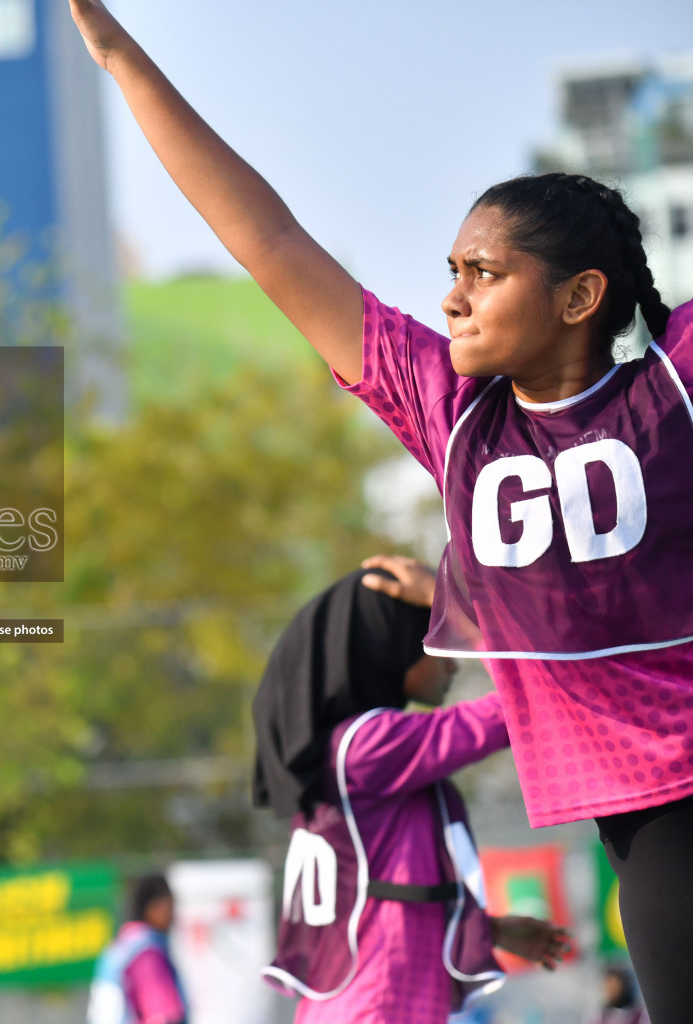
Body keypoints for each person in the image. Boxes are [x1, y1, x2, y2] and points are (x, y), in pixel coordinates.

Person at [66, 2, 692, 1017]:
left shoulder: (673, 384)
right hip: (633, 813)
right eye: (450, 271)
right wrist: (116, 53)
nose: (452, 296)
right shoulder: (452, 415)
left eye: (483, 273)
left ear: (580, 298)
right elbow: (268, 238)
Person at [252, 556, 570, 1023]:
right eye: (437, 634)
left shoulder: (350, 752)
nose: (451, 656)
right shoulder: (371, 747)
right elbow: (526, 698)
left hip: (367, 1001)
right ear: (392, 645)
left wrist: (487, 929)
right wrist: (464, 610)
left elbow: (385, 889)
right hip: (378, 1003)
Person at [88, 874, 188, 1024]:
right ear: (154, 907)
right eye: (169, 906)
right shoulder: (147, 954)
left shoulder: (123, 945)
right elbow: (162, 1016)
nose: (173, 916)